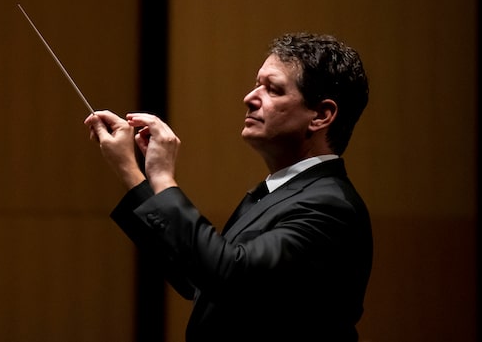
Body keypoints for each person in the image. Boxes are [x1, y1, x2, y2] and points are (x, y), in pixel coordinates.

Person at [85, 33, 372, 342]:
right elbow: (197, 277)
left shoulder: (330, 206)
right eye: (257, 84)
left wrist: (163, 177)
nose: (250, 97)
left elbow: (231, 277)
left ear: (321, 115)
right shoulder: (282, 192)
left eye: (273, 89)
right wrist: (131, 171)